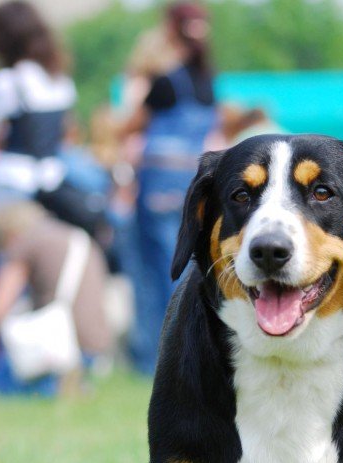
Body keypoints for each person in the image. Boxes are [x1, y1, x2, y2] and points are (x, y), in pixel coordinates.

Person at [122, 1, 217, 374]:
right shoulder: (207, 81)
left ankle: (158, 356)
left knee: (158, 267)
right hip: (192, 181)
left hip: (159, 181)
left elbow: (130, 125)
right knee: (191, 261)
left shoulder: (163, 82)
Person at [0, 1, 105, 236]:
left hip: (15, 186)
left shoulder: (7, 82)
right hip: (54, 184)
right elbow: (67, 133)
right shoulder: (59, 81)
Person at [0, 202, 111, 395]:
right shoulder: (80, 238)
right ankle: (73, 385)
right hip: (92, 350)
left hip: (54, 349)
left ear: (10, 235)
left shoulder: (27, 242)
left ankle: (59, 386)